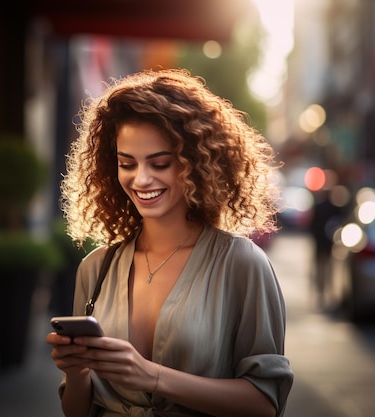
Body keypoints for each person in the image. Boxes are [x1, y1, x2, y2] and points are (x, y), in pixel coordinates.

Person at [45, 68, 293, 417]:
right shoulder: (96, 268)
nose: (141, 179)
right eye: (126, 163)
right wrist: (77, 371)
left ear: (195, 165)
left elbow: (265, 404)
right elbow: (77, 411)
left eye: (160, 163)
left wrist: (152, 376)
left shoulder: (241, 263)